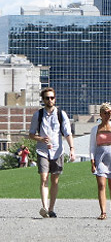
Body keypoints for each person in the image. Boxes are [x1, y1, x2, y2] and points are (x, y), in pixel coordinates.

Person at [28, 87, 75, 218]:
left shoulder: (61, 114)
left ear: (55, 99)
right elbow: (31, 134)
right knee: (44, 178)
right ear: (43, 100)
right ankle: (44, 207)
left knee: (55, 180)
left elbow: (67, 133)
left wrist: (72, 149)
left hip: (57, 151)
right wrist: (40, 139)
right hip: (42, 150)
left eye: (52, 98)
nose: (50, 100)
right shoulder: (38, 115)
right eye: (47, 98)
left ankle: (51, 208)